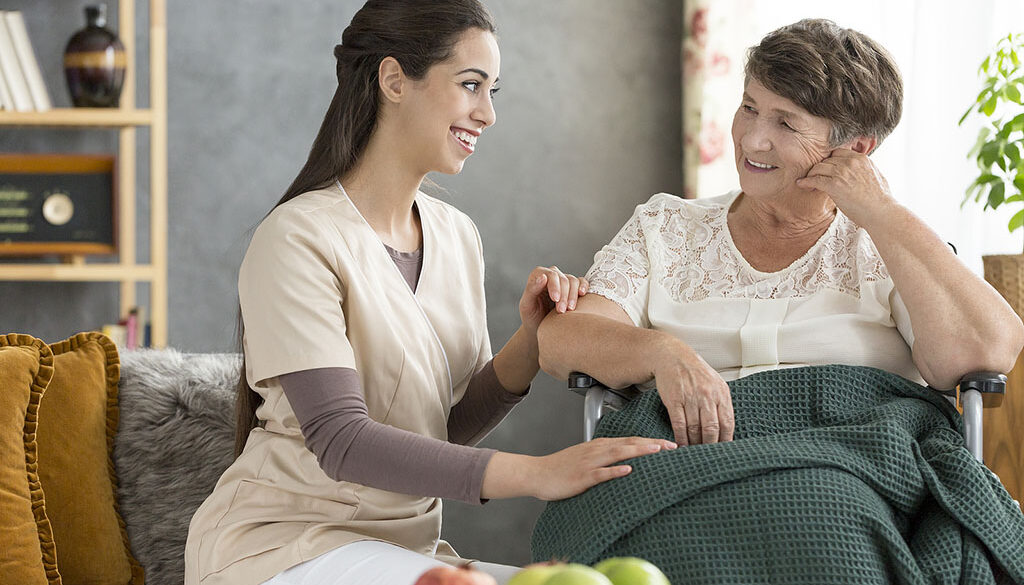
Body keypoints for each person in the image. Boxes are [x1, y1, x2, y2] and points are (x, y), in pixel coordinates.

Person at [183, 2, 675, 585]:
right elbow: (342, 442)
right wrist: (538, 472)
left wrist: (533, 340)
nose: (488, 113)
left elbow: (439, 429)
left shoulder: (456, 235)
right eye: (471, 85)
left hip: (408, 549)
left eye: (494, 91)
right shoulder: (297, 238)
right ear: (394, 79)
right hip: (282, 550)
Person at [537, 18, 1024, 448]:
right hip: (688, 474)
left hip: (849, 479)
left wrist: (882, 211)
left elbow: (987, 351)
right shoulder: (666, 226)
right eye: (749, 107)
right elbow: (561, 341)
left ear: (855, 148)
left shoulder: (885, 243)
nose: (752, 139)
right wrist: (662, 352)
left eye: (786, 123)